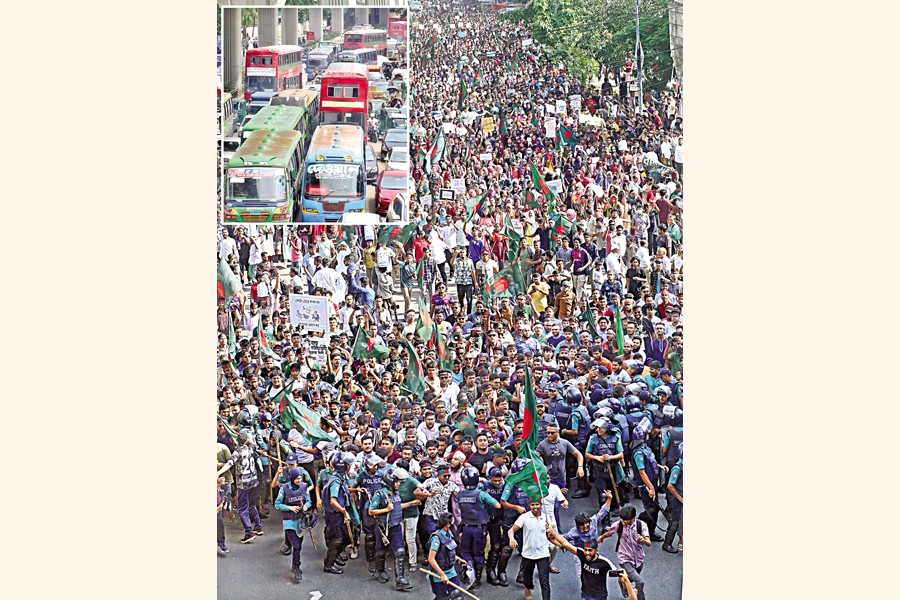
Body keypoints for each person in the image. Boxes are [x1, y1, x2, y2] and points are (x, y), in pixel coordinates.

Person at [547, 527, 637, 600]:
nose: (587, 553)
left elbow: (619, 574)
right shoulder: (582, 554)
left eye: (590, 550)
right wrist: (552, 532)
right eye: (586, 550)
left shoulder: (604, 562)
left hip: (599, 597)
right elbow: (565, 543)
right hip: (585, 594)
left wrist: (628, 585)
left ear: (596, 550)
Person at [454, 465, 501, 589]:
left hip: (466, 527)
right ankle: (477, 579)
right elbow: (497, 505)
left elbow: (460, 508)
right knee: (478, 553)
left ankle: (470, 575)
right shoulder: (481, 494)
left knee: (466, 552)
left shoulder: (460, 494)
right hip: (479, 528)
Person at [368, 468, 415, 590]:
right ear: (390, 482)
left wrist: (411, 503)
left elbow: (397, 506)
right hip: (384, 529)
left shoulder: (396, 493)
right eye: (397, 482)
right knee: (381, 551)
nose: (399, 484)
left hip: (396, 526)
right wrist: (386, 510)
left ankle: (400, 579)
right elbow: (371, 511)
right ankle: (379, 571)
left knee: (400, 552)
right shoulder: (379, 494)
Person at [216, 429, 264, 544]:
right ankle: (258, 526)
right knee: (252, 505)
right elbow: (253, 443)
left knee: (242, 509)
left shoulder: (237, 452)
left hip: (243, 483)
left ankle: (248, 532)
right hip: (253, 481)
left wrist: (218, 472)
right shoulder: (251, 448)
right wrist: (247, 440)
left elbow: (229, 463)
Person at [597, 505, 651, 600]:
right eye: (621, 519)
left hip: (638, 558)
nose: (622, 522)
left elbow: (648, 543)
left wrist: (643, 540)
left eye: (625, 520)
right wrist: (602, 537)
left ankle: (622, 580)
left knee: (632, 577)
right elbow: (610, 532)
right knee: (640, 582)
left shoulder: (641, 525)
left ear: (632, 518)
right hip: (624, 558)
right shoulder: (619, 524)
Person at [274, 467, 312, 583]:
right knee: (296, 545)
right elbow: (277, 504)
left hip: (300, 521)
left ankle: (295, 563)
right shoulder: (284, 488)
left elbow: (309, 501)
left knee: (299, 545)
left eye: (300, 478)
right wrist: (289, 508)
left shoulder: (304, 487)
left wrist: (306, 506)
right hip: (289, 521)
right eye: (297, 479)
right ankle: (296, 567)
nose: (299, 480)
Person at [508, 498, 552, 600]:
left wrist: (559, 542)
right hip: (528, 553)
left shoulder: (546, 517)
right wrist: (512, 539)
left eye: (537, 504)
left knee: (544, 580)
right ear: (529, 506)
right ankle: (527, 589)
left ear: (541, 505)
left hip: (543, 553)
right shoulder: (524, 517)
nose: (535, 507)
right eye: (532, 505)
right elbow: (511, 530)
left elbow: (550, 535)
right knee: (527, 577)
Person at [322, 451, 355, 574]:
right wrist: (344, 511)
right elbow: (333, 501)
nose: (350, 467)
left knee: (346, 537)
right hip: (335, 514)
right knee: (337, 539)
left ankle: (334, 557)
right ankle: (329, 565)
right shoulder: (335, 481)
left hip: (339, 513)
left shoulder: (341, 477)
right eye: (348, 465)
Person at [426, 512, 463, 600]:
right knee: (442, 598)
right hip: (438, 574)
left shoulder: (449, 533)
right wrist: (442, 574)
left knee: (456, 595)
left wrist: (458, 559)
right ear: (448, 524)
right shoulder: (436, 538)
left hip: (451, 571)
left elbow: (446, 553)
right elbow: (431, 559)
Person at [663, 442, 683, 554]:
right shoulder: (678, 468)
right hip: (678, 500)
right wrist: (680, 499)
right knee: (675, 522)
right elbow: (670, 485)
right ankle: (667, 544)